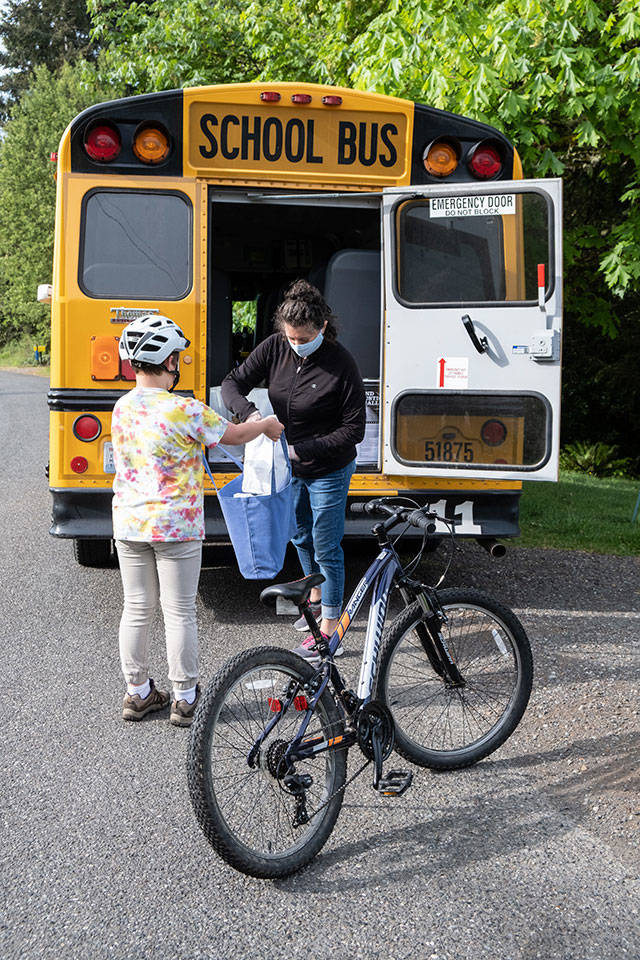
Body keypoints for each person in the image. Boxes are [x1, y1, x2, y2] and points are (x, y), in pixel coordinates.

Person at [113, 313, 283, 725]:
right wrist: (267, 424)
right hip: (176, 525)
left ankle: (137, 693)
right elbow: (237, 435)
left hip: (129, 524)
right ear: (169, 361)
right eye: (176, 357)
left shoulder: (122, 407)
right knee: (179, 611)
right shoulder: (184, 410)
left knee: (136, 608)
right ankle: (185, 698)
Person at [222, 280, 365, 661]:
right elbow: (232, 383)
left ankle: (332, 626)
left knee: (326, 541)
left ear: (322, 328)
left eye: (304, 337)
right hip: (287, 465)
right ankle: (315, 598)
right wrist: (250, 414)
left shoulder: (341, 363)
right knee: (299, 533)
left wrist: (304, 449)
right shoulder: (275, 348)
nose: (296, 344)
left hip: (329, 466)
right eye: (290, 337)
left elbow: (354, 430)